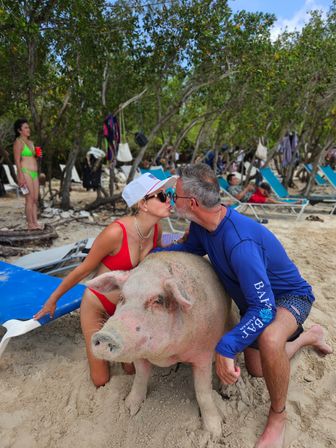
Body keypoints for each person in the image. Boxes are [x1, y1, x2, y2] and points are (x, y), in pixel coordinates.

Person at [159, 163, 332, 448]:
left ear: (191, 202)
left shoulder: (240, 243)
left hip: (289, 298)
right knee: (259, 369)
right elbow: (189, 249)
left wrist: (227, 346)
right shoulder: (203, 224)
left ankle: (278, 416)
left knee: (271, 337)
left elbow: (264, 310)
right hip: (258, 302)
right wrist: (152, 253)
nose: (170, 199)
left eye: (173, 195)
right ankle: (309, 337)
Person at [34, 172, 177, 387]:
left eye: (169, 194)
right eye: (162, 196)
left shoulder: (156, 228)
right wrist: (53, 300)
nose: (169, 200)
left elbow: (160, 249)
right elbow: (83, 270)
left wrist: (185, 239)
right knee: (101, 380)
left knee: (130, 369)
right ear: (143, 204)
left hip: (125, 309)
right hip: (98, 305)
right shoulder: (115, 233)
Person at [13, 118, 42, 230]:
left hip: (34, 173)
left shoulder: (31, 142)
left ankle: (35, 222)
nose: (28, 129)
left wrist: (38, 155)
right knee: (29, 199)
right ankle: (30, 224)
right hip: (25, 172)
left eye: (28, 127)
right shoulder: (18, 142)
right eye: (25, 127)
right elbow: (17, 160)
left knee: (35, 199)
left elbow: (33, 157)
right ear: (19, 130)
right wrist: (19, 176)